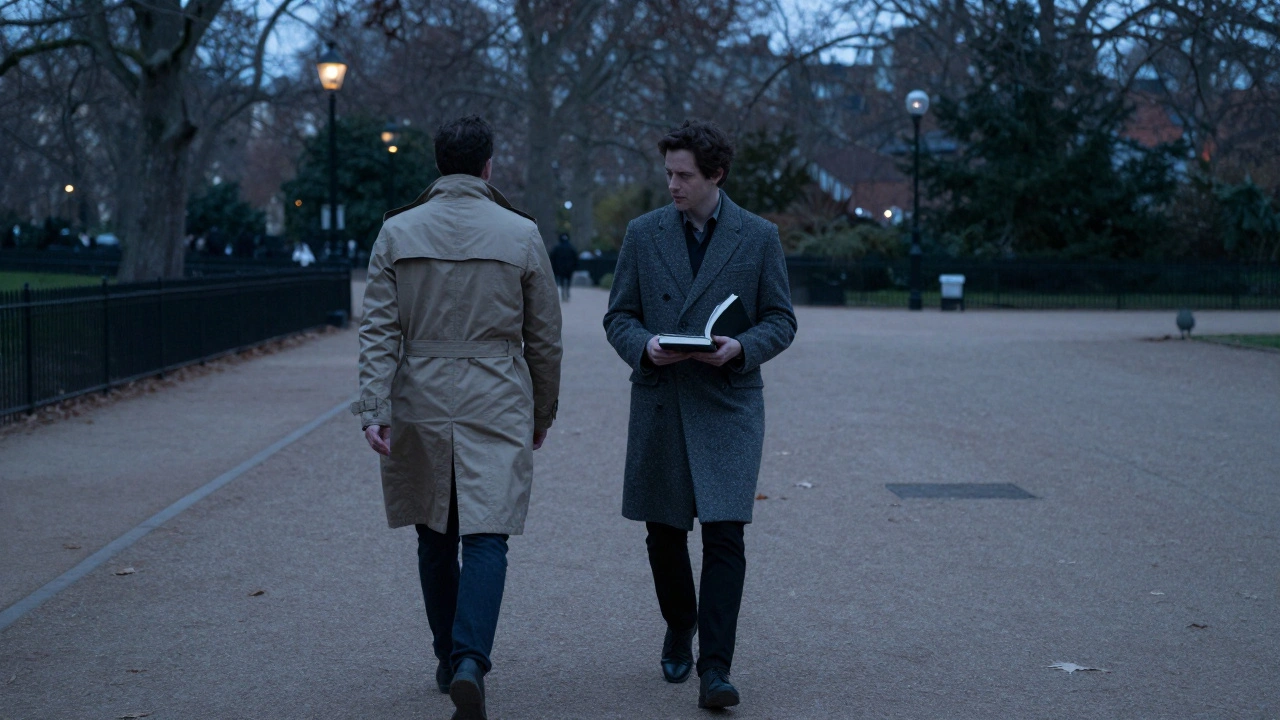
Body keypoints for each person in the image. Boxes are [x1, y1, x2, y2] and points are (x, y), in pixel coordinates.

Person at [352, 115, 563, 720]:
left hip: (420, 391)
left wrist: (374, 406)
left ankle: (448, 655)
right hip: (496, 392)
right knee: (488, 533)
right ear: (488, 166)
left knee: (434, 530)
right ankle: (471, 659)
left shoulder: (398, 230)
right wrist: (542, 411)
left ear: (439, 164)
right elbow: (544, 338)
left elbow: (378, 331)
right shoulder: (520, 233)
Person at [603, 119, 796, 710]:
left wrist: (742, 348)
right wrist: (644, 346)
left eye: (684, 175)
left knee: (726, 534)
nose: (673, 185)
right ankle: (679, 622)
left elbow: (781, 319)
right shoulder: (643, 233)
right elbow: (619, 316)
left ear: (716, 175)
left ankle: (716, 668)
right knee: (663, 533)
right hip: (662, 396)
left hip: (728, 401)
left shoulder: (757, 236)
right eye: (668, 173)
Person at [549, 232, 578, 301]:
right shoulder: (571, 247)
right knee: (568, 280)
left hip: (559, 268)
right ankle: (567, 291)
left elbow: (552, 257)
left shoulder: (557, 247)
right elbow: (576, 258)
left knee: (561, 280)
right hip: (569, 267)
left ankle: (563, 292)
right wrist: (575, 266)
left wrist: (553, 267)